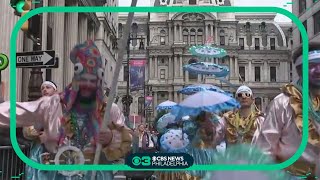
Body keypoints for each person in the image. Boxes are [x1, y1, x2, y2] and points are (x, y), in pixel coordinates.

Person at [0, 40, 132, 180]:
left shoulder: (109, 109)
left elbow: (128, 140)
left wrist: (111, 137)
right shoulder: (53, 104)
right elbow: (15, 112)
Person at [255, 42, 320, 179]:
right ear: (299, 70)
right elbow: (264, 149)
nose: (318, 70)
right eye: (312, 65)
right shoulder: (282, 103)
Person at [23, 81, 58, 180]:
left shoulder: (61, 107)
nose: (45, 90)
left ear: (55, 91)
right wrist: (33, 132)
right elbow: (27, 129)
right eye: (43, 88)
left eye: (48, 87)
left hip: (55, 150)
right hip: (38, 150)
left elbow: (67, 129)